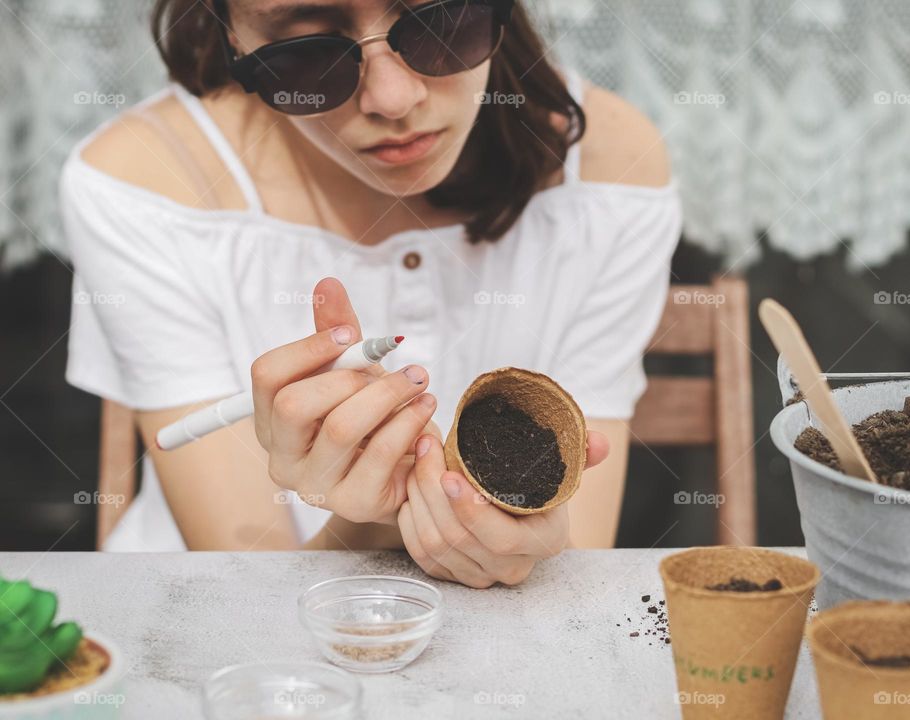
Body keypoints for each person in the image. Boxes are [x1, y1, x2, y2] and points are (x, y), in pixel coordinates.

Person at [60, 0, 682, 587]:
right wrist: (364, 524)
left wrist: (523, 551)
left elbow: (572, 575)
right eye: (308, 51)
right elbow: (249, 599)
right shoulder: (145, 187)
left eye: (440, 21)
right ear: (230, 32)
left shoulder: (609, 172)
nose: (393, 98)